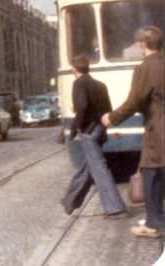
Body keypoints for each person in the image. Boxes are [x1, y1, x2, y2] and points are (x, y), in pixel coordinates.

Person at [102, 26, 165, 238]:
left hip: (157, 129)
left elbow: (135, 101)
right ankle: (156, 220)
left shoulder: (145, 68)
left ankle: (154, 223)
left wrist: (112, 117)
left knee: (151, 172)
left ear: (142, 44)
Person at [61, 55, 126, 218]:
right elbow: (108, 109)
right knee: (89, 167)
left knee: (99, 168)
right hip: (100, 129)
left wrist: (75, 129)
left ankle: (115, 208)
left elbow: (81, 107)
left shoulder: (79, 83)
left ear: (74, 69)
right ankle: (70, 200)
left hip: (88, 131)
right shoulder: (100, 85)